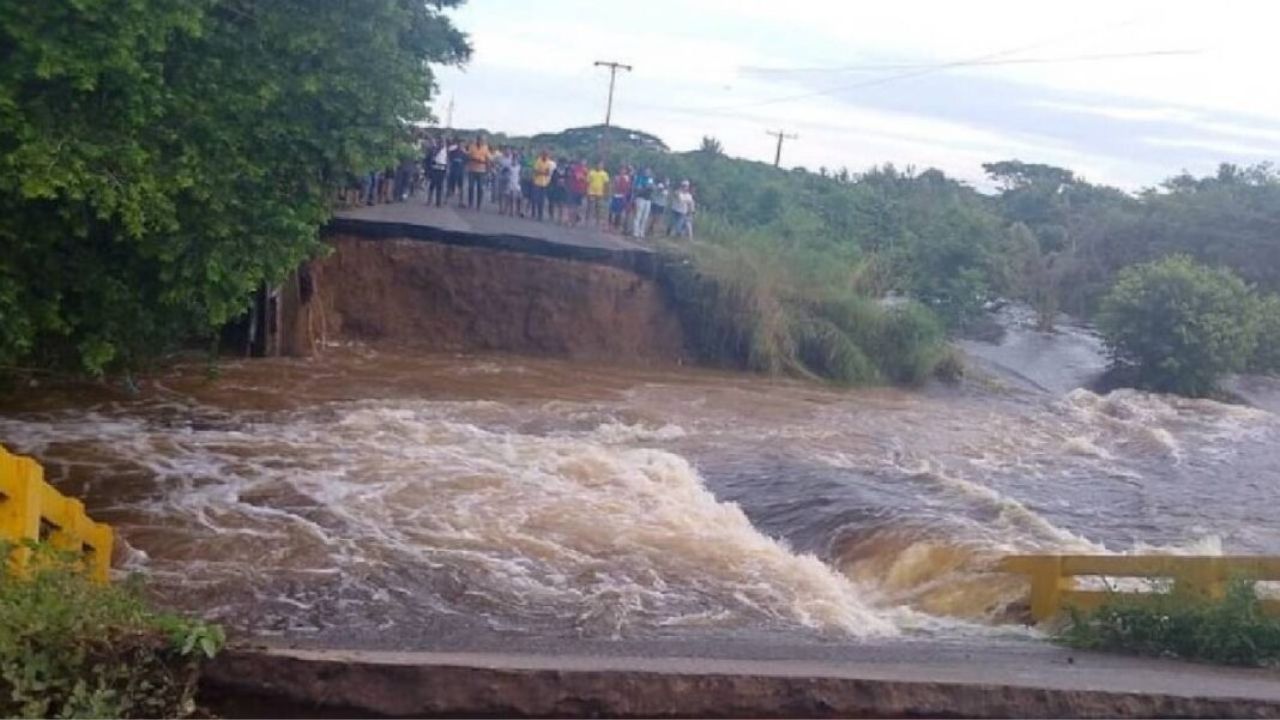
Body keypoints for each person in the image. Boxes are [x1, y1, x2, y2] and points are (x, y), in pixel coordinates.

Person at [465, 135, 491, 210]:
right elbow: (468, 156)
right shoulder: (472, 146)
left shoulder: (486, 148)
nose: (481, 141)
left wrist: (488, 169)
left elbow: (488, 159)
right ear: (477, 140)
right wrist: (473, 159)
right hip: (472, 169)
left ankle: (478, 205)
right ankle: (470, 203)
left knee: (480, 188)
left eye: (483, 140)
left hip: (481, 170)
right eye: (480, 140)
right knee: (471, 187)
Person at [531, 150, 555, 222]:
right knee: (536, 199)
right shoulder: (538, 161)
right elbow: (535, 171)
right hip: (537, 182)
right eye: (544, 154)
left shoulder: (548, 162)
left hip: (544, 183)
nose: (545, 156)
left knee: (542, 200)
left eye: (546, 155)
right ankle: (534, 213)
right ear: (542, 155)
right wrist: (542, 172)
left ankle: (540, 215)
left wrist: (541, 172)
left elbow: (547, 173)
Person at [585, 161, 609, 228]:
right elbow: (587, 182)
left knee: (598, 208)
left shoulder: (604, 174)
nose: (600, 166)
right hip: (591, 192)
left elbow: (606, 184)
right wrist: (586, 191)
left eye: (601, 165)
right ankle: (587, 221)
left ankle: (597, 222)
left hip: (600, 193)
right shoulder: (591, 172)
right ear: (596, 165)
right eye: (599, 165)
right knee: (590, 207)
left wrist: (606, 193)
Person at [631, 167, 654, 238]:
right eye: (647, 171)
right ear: (644, 171)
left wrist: (647, 187)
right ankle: (635, 232)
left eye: (649, 171)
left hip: (648, 199)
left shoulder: (650, 179)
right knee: (638, 215)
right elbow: (637, 188)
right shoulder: (640, 178)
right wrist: (646, 188)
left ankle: (641, 232)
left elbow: (652, 187)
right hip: (640, 198)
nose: (648, 172)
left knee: (645, 217)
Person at [425, 137, 448, 207]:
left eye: (443, 142)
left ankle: (438, 202)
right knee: (433, 184)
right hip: (435, 168)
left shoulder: (446, 150)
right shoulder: (436, 149)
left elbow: (447, 159)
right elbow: (432, 156)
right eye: (441, 142)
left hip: (442, 168)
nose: (442, 143)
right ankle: (429, 200)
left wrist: (447, 168)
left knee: (440, 186)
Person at [608, 165, 632, 232]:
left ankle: (616, 226)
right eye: (621, 170)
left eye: (624, 170)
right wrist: (611, 193)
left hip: (621, 196)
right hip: (615, 195)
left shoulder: (627, 178)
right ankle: (610, 225)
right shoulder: (616, 177)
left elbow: (628, 187)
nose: (622, 171)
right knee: (611, 211)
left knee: (619, 212)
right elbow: (613, 185)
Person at [568, 159, 589, 226]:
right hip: (574, 189)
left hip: (580, 190)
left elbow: (587, 180)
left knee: (577, 206)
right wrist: (584, 177)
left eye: (585, 162)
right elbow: (579, 177)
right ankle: (570, 221)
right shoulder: (577, 169)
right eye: (583, 161)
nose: (584, 163)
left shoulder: (585, 170)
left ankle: (574, 221)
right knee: (572, 205)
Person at [548, 158, 569, 224]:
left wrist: (564, 182)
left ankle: (561, 218)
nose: (562, 164)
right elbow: (552, 179)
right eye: (561, 163)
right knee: (557, 204)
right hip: (556, 189)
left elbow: (568, 179)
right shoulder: (555, 170)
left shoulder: (567, 171)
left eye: (563, 163)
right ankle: (558, 218)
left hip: (564, 189)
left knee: (562, 204)